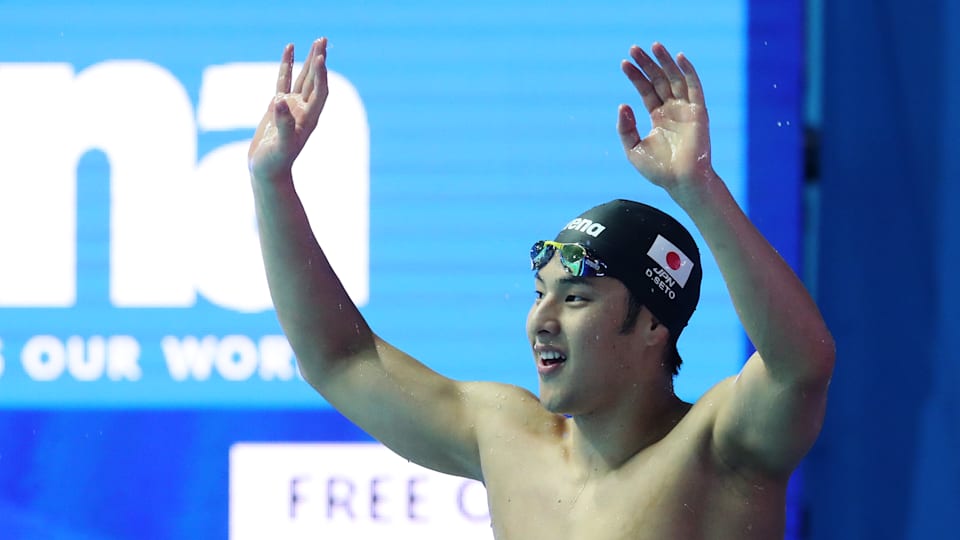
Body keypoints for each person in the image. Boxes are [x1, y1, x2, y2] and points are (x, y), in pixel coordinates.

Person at [248, 37, 835, 539]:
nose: (541, 319)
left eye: (575, 298)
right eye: (539, 294)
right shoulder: (508, 438)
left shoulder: (719, 447)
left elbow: (800, 363)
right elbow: (338, 358)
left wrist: (699, 190)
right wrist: (272, 184)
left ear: (654, 323)